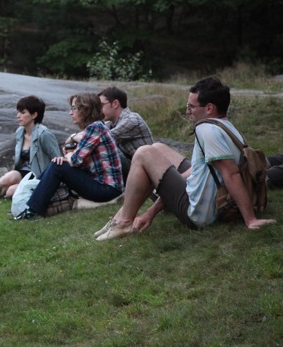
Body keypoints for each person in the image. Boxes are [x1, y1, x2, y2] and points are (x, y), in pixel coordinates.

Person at [95, 76, 276, 241]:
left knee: (143, 153)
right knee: (158, 148)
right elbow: (200, 171)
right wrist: (154, 207)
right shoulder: (224, 125)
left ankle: (123, 223)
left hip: (199, 214)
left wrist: (250, 219)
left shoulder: (207, 130)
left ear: (209, 108)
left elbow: (231, 174)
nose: (187, 110)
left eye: (191, 106)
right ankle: (119, 218)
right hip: (210, 196)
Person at [17, 93, 124, 219]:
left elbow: (74, 160)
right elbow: (74, 158)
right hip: (100, 185)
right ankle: (29, 202)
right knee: (57, 163)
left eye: (74, 108)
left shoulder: (96, 128)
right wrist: (67, 155)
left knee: (58, 166)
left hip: (107, 190)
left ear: (86, 110)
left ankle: (33, 210)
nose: (70, 113)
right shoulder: (93, 128)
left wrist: (70, 147)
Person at [0, 95, 61, 205]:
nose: (18, 116)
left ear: (34, 115)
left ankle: (11, 194)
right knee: (8, 177)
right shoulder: (20, 132)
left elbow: (57, 158)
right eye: (18, 112)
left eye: (23, 113)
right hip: (24, 173)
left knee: (11, 191)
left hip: (39, 177)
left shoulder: (44, 134)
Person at [98, 86, 154, 179]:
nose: (98, 110)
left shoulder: (131, 119)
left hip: (150, 171)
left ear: (115, 103)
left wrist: (73, 138)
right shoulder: (110, 124)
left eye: (101, 105)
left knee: (105, 150)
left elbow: (101, 139)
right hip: (138, 168)